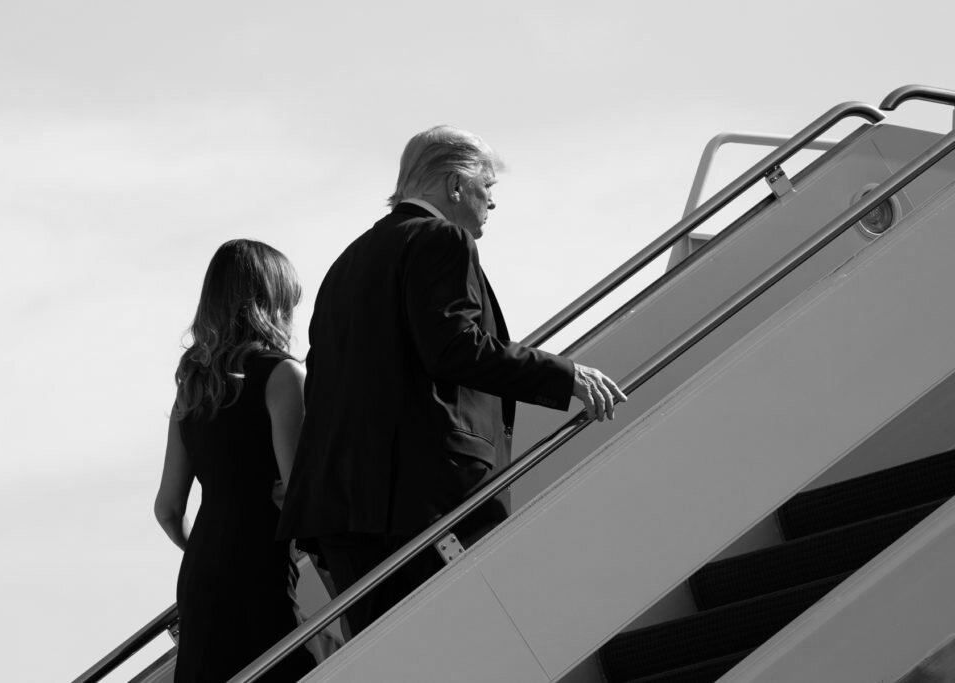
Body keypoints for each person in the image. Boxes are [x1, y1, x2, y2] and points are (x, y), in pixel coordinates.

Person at [277, 125, 626, 637]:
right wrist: (566, 374)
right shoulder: (441, 238)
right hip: (427, 502)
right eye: (489, 186)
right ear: (455, 185)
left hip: (345, 508)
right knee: (469, 642)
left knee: (395, 658)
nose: (492, 202)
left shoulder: (346, 262)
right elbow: (454, 347)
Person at [154, 239, 316, 683]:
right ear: (271, 302)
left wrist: (210, 550)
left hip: (201, 573)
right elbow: (300, 494)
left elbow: (167, 510)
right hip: (258, 568)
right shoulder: (282, 375)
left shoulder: (193, 387)